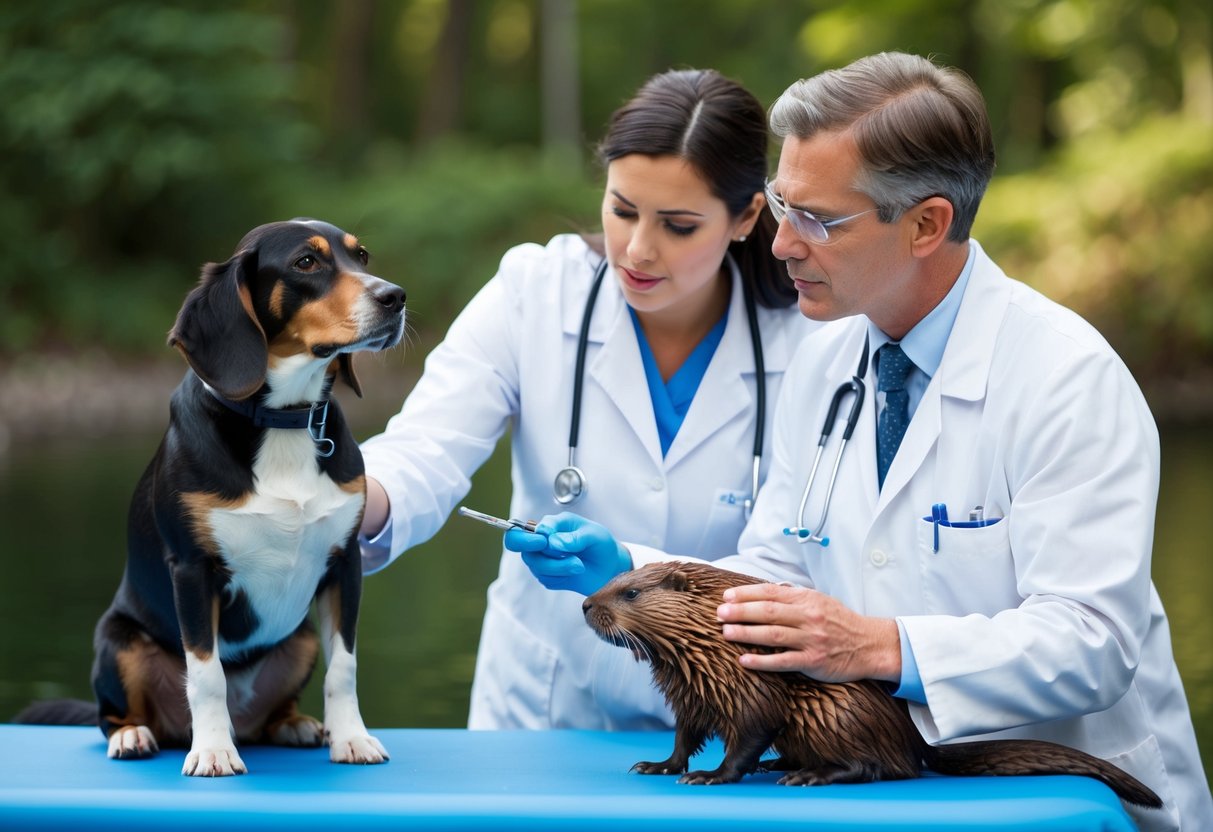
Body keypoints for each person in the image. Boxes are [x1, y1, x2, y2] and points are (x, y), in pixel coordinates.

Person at [506, 53, 1211, 829]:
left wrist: (881, 648)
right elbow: (776, 569)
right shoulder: (826, 361)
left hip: (1063, 803)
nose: (777, 245)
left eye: (818, 220)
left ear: (925, 224)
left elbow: (1092, 643)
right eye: (781, 204)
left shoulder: (1065, 378)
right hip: (885, 795)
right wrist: (632, 572)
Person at [359, 68, 819, 730]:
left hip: (731, 719)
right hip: (542, 713)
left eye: (678, 225)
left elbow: (795, 566)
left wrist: (630, 568)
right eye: (622, 209)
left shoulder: (809, 338)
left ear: (747, 215)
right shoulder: (534, 290)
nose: (636, 250)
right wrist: (353, 500)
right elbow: (426, 448)